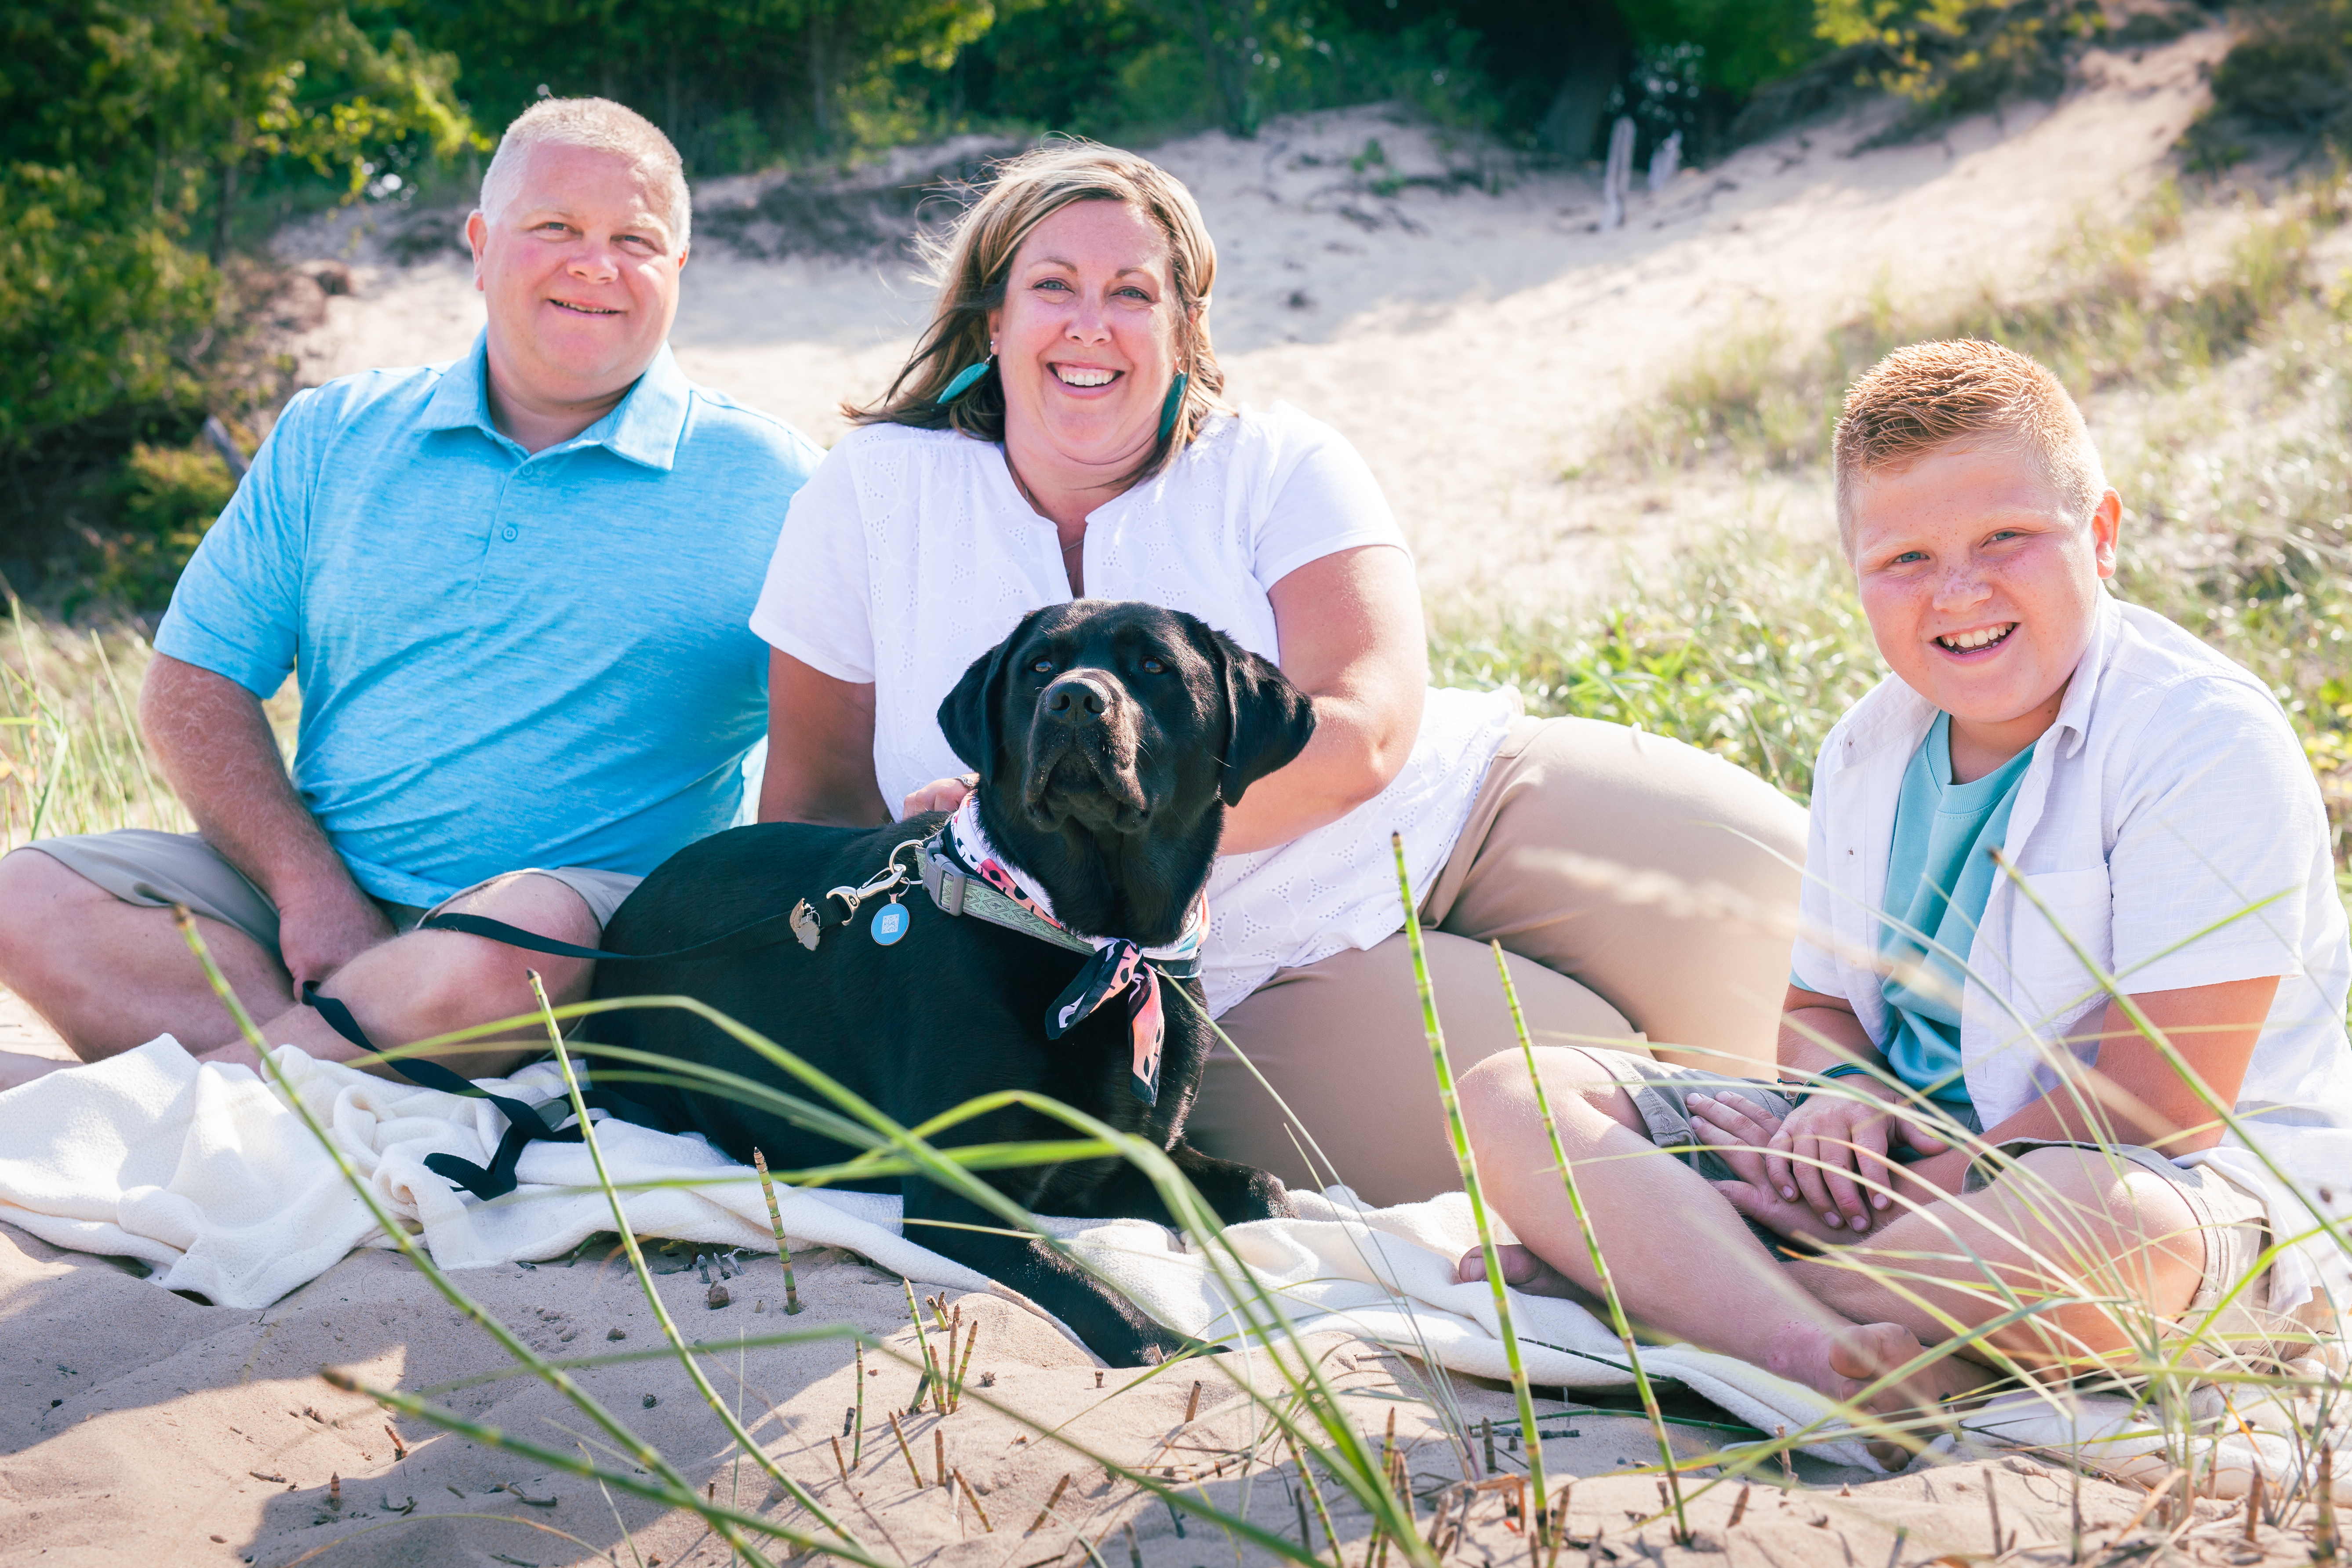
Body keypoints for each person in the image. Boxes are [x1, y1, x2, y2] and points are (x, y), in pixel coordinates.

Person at [749, 140, 1807, 1206]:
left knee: (1805, 932)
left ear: (1183, 328)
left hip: (1463, 812)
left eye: (1132, 292)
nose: (1090, 324)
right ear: (994, 321)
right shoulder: (876, 493)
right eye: (1052, 287)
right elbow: (810, 802)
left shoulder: (1276, 461)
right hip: (1218, 977)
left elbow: (1365, 732)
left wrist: (1059, 819)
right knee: (1637, 1137)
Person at [1456, 340, 2352, 1453]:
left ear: (2104, 534)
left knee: (2112, 1232)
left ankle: (1668, 1289)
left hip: (2152, 1183)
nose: (1960, 590)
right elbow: (1820, 1009)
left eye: (2006, 539)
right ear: (1858, 575)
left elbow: (2161, 1101)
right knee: (1516, 1091)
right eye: (1906, 557)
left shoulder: (2203, 738)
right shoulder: (1870, 744)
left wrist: (1919, 1183)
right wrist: (1846, 1106)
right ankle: (1810, 1349)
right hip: (1888, 1177)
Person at [0, 98, 820, 1090]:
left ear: (679, 270)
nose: (595, 264)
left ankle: (153, 1098)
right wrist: (309, 889)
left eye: (635, 240)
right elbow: (193, 683)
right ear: (480, 246)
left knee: (522, 936)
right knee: (27, 896)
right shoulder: (335, 432)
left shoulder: (777, 481)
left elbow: (842, 751)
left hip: (568, 944)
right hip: (314, 913)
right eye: (554, 227)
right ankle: (314, 1077)